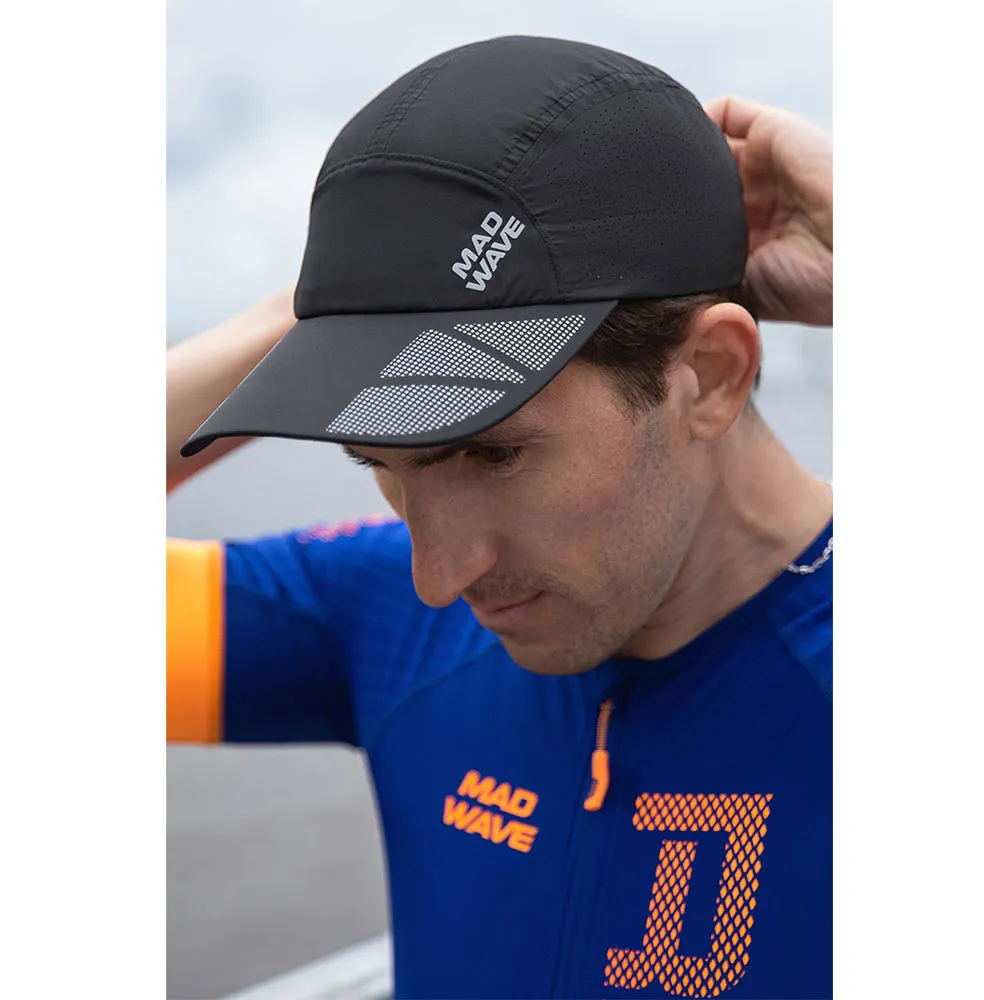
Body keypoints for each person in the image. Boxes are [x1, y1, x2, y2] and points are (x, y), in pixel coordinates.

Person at [168, 36, 832, 1000]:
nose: (439, 577)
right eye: (379, 464)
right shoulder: (374, 611)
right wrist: (334, 305)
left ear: (712, 375)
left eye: (492, 453)